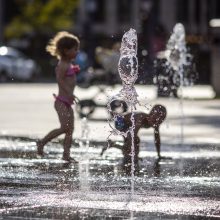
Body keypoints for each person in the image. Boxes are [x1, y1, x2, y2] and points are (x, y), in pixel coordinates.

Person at [36, 31, 80, 162]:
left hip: (67, 101)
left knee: (70, 129)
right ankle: (42, 142)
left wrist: (71, 94)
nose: (77, 52)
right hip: (61, 101)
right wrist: (69, 93)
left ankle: (66, 154)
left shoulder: (69, 64)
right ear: (66, 51)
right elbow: (60, 80)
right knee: (65, 127)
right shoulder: (62, 65)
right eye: (75, 49)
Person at [101, 104, 167, 167]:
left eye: (159, 121)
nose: (155, 123)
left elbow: (157, 139)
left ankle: (113, 144)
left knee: (133, 145)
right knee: (134, 142)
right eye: (154, 119)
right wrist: (133, 152)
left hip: (127, 125)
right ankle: (126, 155)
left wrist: (159, 154)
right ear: (150, 114)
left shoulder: (155, 122)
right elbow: (132, 135)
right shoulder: (140, 119)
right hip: (120, 121)